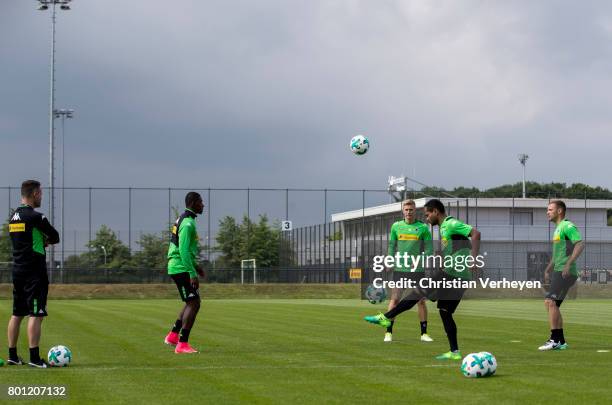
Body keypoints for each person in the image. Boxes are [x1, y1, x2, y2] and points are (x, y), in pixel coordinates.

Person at [365, 199, 480, 360]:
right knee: (445, 312)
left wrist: (473, 259)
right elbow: (458, 247)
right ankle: (454, 352)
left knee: (418, 293)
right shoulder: (443, 228)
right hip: (456, 275)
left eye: (427, 215)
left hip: (454, 275)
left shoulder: (451, 223)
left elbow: (475, 233)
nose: (426, 218)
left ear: (435, 212)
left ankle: (385, 318)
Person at [8, 180, 60, 368]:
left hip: (18, 270)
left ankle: (12, 355)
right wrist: (45, 239)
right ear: (35, 194)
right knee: (36, 314)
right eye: (41, 193)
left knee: (17, 313)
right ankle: (35, 359)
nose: (41, 197)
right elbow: (55, 236)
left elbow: (24, 240)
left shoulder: (13, 217)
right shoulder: (37, 217)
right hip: (34, 272)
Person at [383, 199, 433, 343]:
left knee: (421, 301)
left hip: (417, 270)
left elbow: (429, 250)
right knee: (395, 299)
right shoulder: (396, 227)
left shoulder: (423, 227)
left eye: (411, 209)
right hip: (400, 269)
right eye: (406, 209)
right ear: (402, 211)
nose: (409, 212)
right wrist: (390, 260)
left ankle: (424, 334)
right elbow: (392, 246)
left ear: (415, 210)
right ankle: (388, 332)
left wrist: (420, 261)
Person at [538, 200, 583, 351]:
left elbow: (579, 244)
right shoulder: (557, 229)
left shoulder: (567, 226)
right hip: (558, 270)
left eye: (550, 209)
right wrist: (547, 269)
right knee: (551, 304)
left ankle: (554, 339)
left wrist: (569, 264)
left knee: (550, 301)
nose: (547, 212)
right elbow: (557, 254)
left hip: (565, 272)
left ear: (559, 211)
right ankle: (561, 341)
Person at [164, 192, 205, 354]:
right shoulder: (188, 224)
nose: (203, 205)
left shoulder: (182, 218)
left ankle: (173, 336)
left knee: (190, 301)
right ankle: (182, 344)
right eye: (201, 202)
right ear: (194, 203)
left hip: (179, 266)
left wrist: (196, 266)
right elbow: (183, 250)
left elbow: (186, 250)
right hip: (181, 268)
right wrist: (192, 272)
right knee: (194, 303)